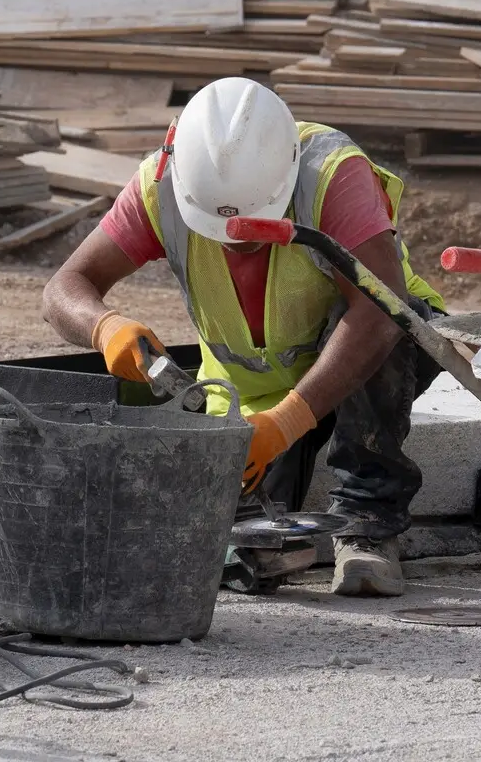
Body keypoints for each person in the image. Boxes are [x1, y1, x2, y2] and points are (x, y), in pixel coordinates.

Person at [42, 77, 445, 597]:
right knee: (244, 552)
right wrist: (105, 327)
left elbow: (378, 311)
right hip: (251, 391)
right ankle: (275, 536)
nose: (235, 248)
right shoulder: (161, 183)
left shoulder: (330, 174)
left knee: (395, 316)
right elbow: (63, 289)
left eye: (253, 232)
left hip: (366, 353)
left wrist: (289, 421)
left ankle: (366, 526)